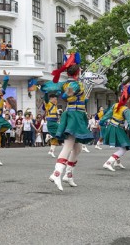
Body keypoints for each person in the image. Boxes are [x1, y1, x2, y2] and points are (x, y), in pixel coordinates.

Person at [44, 52, 93, 191]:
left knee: (77, 149)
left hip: (75, 114)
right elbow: (67, 95)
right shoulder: (74, 84)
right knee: (68, 146)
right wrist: (67, 94)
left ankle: (68, 175)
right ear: (78, 72)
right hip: (75, 116)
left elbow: (50, 88)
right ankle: (56, 174)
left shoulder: (67, 83)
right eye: (80, 69)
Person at [101, 84, 130, 171]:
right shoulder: (126, 110)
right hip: (117, 128)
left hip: (111, 127)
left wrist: (102, 121)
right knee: (124, 148)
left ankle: (117, 162)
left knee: (121, 145)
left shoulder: (115, 105)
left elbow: (107, 115)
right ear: (128, 98)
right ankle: (108, 162)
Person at [41, 93, 59, 158]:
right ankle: (49, 135)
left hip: (55, 121)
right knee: (61, 131)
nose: (56, 100)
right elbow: (46, 99)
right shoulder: (48, 104)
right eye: (55, 99)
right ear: (51, 99)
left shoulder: (55, 104)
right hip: (51, 122)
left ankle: (51, 151)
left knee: (56, 138)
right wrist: (46, 92)